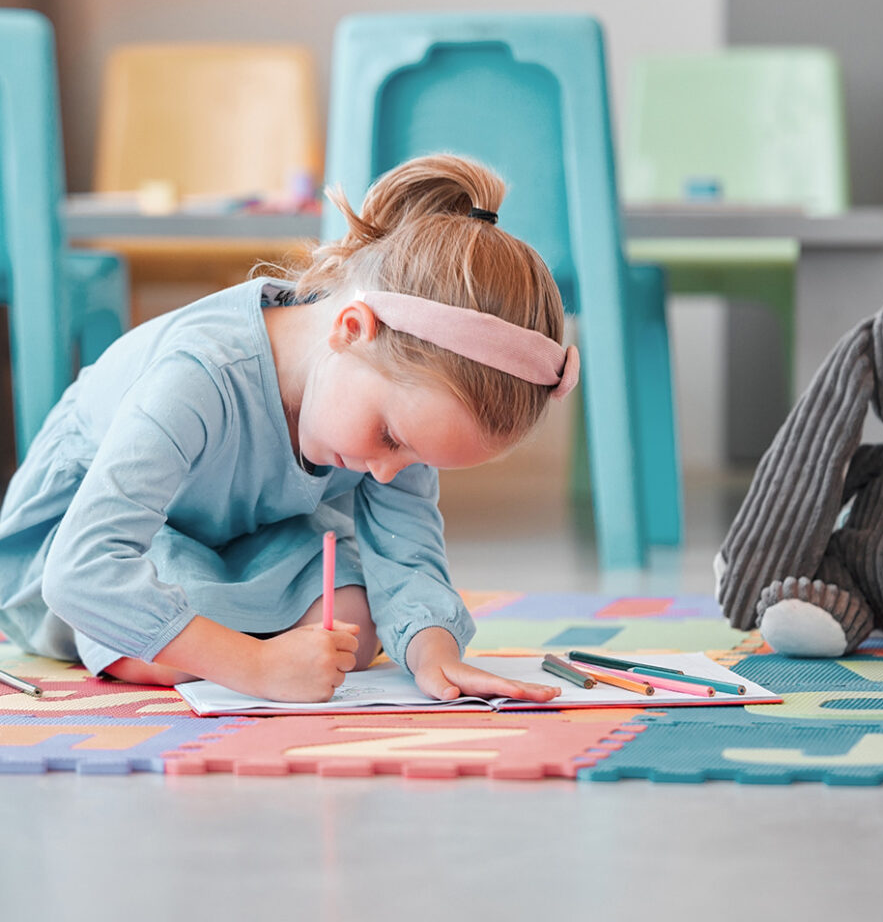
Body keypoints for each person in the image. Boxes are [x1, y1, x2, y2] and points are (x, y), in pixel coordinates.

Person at [0, 154, 579, 704]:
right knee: (166, 601)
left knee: (352, 617)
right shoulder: (199, 375)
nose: (386, 471)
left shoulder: (391, 399)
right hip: (83, 546)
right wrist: (255, 668)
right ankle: (213, 647)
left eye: (411, 459)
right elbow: (80, 571)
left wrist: (434, 651)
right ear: (353, 329)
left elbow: (405, 548)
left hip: (236, 536)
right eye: (391, 440)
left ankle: (225, 640)